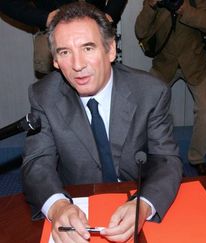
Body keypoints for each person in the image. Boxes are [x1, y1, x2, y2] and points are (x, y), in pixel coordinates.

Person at [22, 2, 182, 242]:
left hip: (136, 197)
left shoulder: (150, 92)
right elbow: (37, 164)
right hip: (78, 205)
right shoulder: (44, 96)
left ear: (110, 50)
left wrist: (144, 205)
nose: (78, 65)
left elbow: (166, 160)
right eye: (65, 52)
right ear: (55, 61)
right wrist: (58, 208)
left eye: (88, 48)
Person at [135, 0, 206, 175]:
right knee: (149, 110)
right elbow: (140, 31)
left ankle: (197, 158)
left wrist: (185, 10)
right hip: (164, 64)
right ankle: (165, 160)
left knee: (205, 112)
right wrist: (150, 7)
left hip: (194, 63)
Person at [0, 0, 127, 76]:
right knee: (61, 99)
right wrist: (43, 18)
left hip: (97, 32)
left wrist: (110, 14)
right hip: (56, 36)